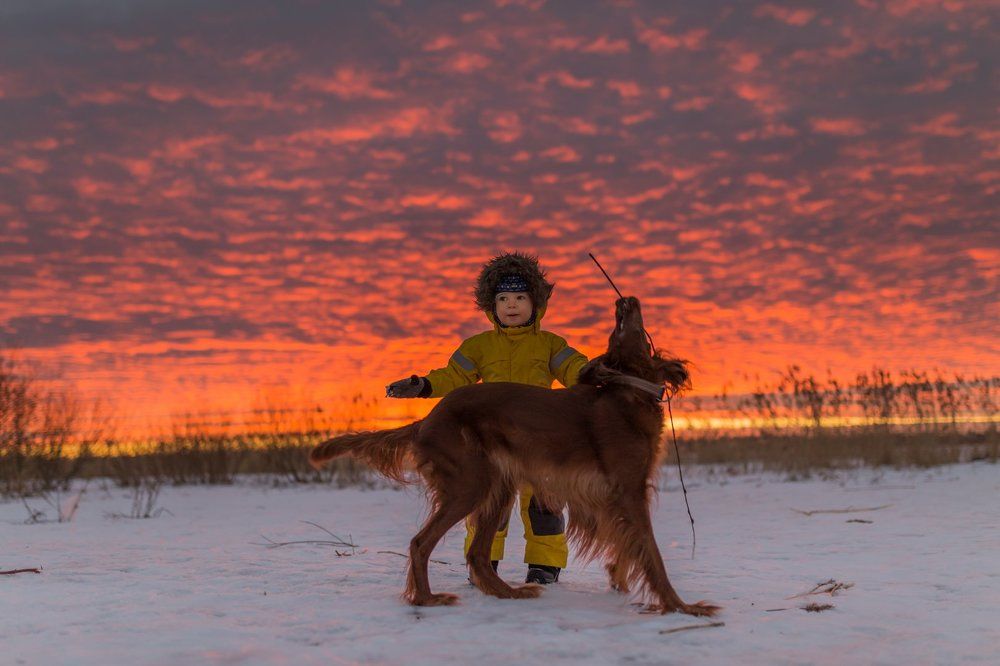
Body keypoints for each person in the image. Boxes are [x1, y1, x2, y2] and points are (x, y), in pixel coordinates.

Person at [386, 251, 588, 584]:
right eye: (503, 298)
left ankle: (544, 566)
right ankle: (484, 562)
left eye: (520, 297)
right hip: (492, 443)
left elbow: (576, 369)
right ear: (490, 306)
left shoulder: (550, 345)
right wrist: (423, 385)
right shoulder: (478, 347)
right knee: (488, 504)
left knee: (545, 506)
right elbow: (453, 376)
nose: (512, 305)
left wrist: (599, 374)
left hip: (541, 441)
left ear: (535, 303)